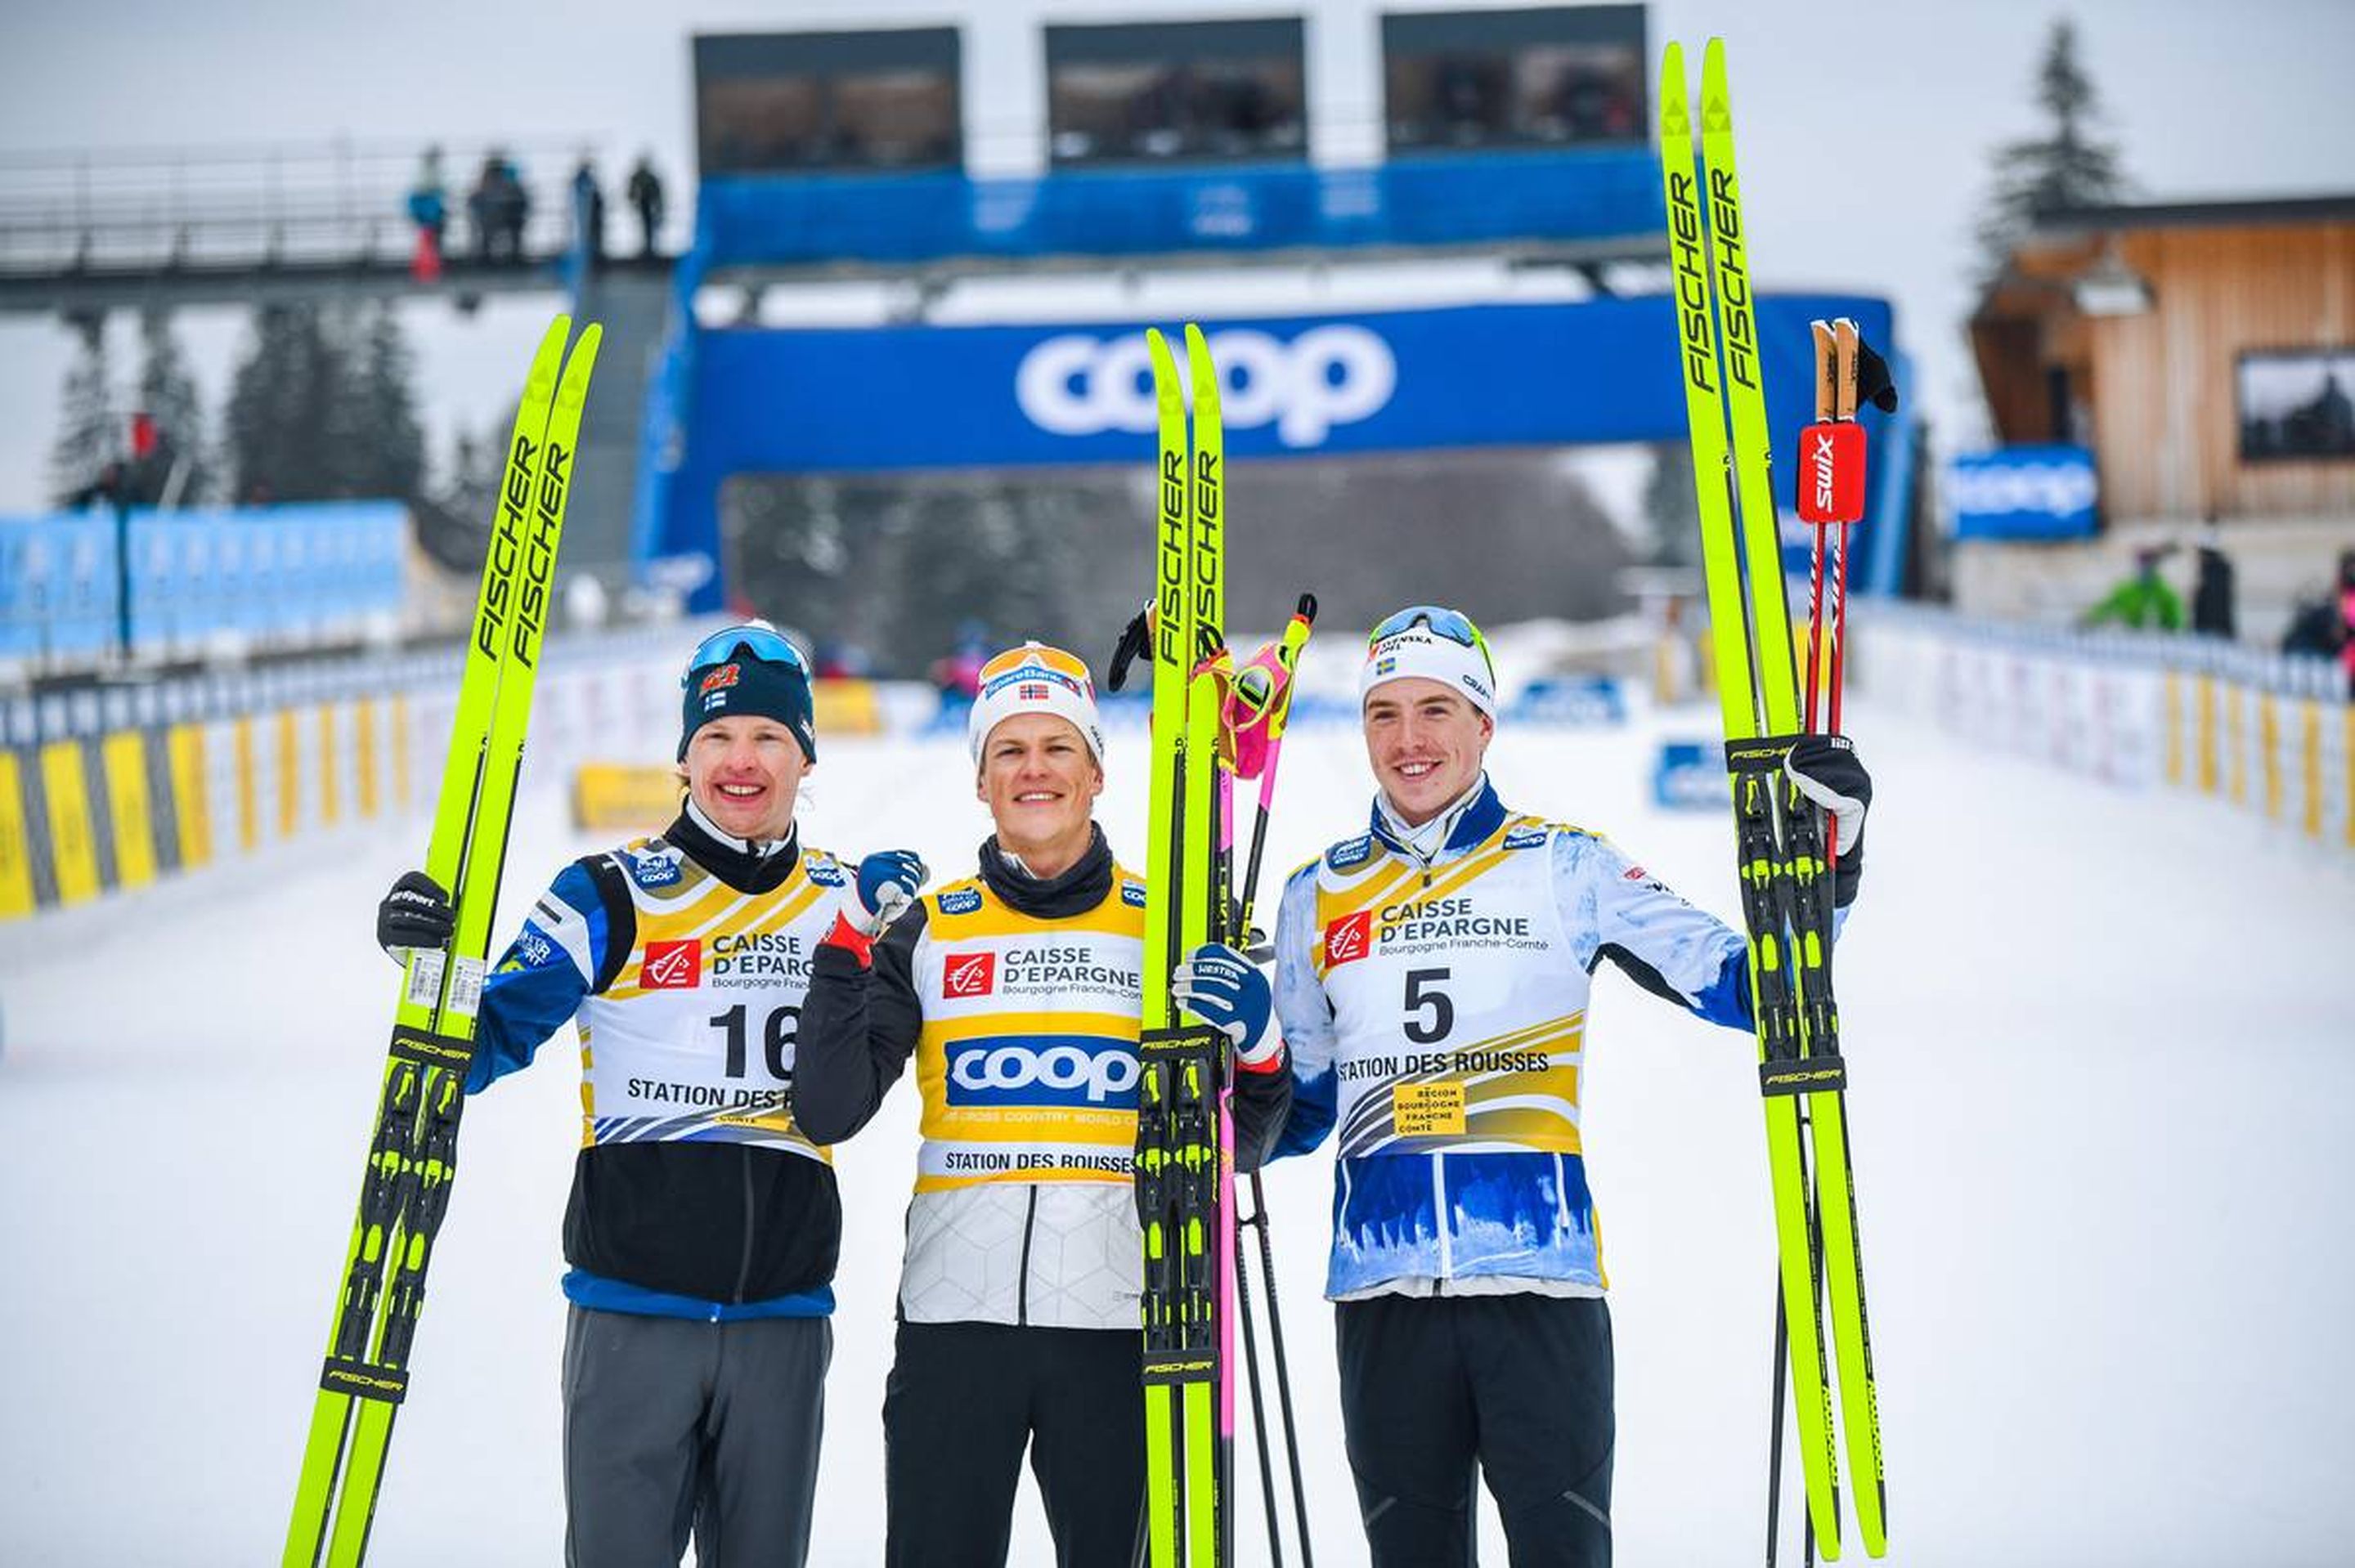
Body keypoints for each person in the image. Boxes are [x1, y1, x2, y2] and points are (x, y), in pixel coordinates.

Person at [1240, 606, 1874, 1567]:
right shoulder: (1312, 895)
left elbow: (1758, 991)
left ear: (1484, 726)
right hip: (1382, 1296)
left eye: (1437, 710)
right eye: (1385, 714)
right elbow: (1298, 1119)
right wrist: (1239, 1051)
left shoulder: (1567, 866)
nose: (1410, 741)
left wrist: (1828, 868)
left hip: (1541, 1288)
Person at [371, 622, 930, 1568]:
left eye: (766, 738)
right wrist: (429, 970)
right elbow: (483, 1042)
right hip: (634, 1316)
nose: (740, 761)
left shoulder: (847, 903)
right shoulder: (610, 892)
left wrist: (893, 933)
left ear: (806, 755)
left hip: (783, 1320)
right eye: (715, 738)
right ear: (683, 758)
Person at [793, 641, 1293, 1567]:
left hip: (1119, 1331)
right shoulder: (930, 928)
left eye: (1057, 747)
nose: (1034, 770)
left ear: (1097, 770)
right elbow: (828, 1109)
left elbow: (1242, 1145)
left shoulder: (1166, 927)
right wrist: (845, 944)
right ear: (980, 779)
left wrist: (1262, 1045)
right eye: (1008, 750)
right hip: (954, 1330)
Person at [2082, 546, 2184, 632]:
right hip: (2133, 640)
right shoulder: (2125, 590)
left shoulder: (2166, 592)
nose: (2146, 569)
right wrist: (2089, 620)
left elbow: (2177, 621)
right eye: (2143, 564)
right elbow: (2106, 608)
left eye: (2149, 564)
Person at [2190, 519, 2236, 639]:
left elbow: (2212, 608)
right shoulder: (2215, 571)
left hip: (2214, 633)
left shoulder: (2215, 573)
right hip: (2217, 631)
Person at [626, 153, 666, 258]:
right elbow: (631, 192)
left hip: (649, 205)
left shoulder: (649, 177)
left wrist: (658, 206)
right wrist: (633, 202)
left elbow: (657, 193)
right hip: (643, 205)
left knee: (649, 227)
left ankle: (649, 248)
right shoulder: (638, 177)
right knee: (644, 227)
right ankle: (646, 248)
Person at [571, 154, 606, 263]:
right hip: (584, 213)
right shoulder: (580, 179)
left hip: (593, 214)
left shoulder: (591, 180)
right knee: (585, 233)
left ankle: (594, 251)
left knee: (593, 232)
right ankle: (586, 253)